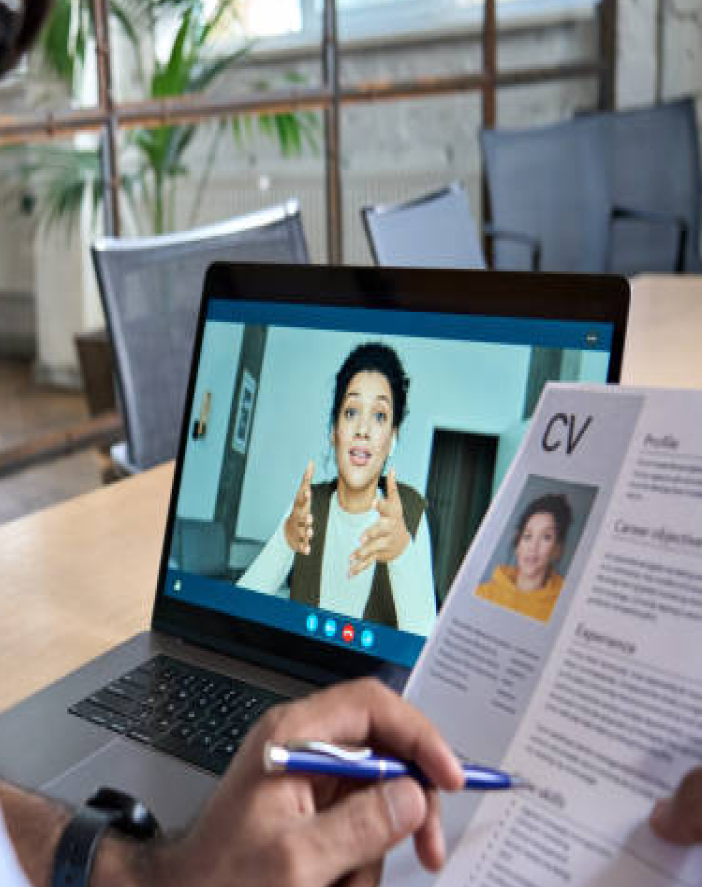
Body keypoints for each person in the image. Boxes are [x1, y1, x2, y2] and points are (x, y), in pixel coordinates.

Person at [240, 341, 437, 635]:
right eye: (351, 412)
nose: (363, 429)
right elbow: (239, 610)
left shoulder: (410, 512)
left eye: (380, 416)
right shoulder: (308, 504)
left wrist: (401, 554)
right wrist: (285, 540)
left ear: (392, 438)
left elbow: (425, 652)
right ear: (334, 431)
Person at [475, 492, 572, 623]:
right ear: (517, 544)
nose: (533, 547)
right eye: (527, 536)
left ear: (557, 549)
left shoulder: (563, 611)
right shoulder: (483, 594)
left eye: (546, 537)